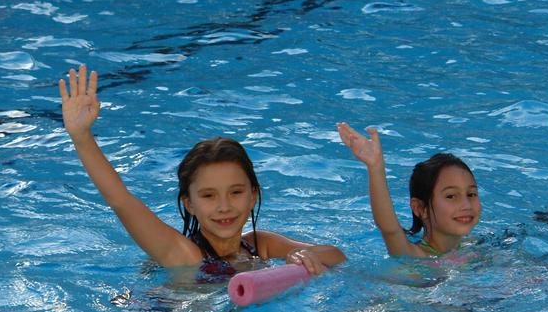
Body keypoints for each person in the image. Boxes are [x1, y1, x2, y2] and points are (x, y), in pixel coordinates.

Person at [59, 64, 345, 277]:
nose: (224, 206)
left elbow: (336, 255)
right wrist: (82, 137)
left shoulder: (260, 245)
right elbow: (121, 200)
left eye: (236, 192)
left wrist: (298, 254)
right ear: (189, 204)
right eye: (208, 196)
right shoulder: (184, 255)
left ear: (253, 195)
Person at [337, 122, 480, 257]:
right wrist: (375, 166)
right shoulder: (415, 255)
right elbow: (390, 230)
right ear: (420, 208)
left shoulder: (477, 248)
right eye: (451, 196)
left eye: (471, 194)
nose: (466, 205)